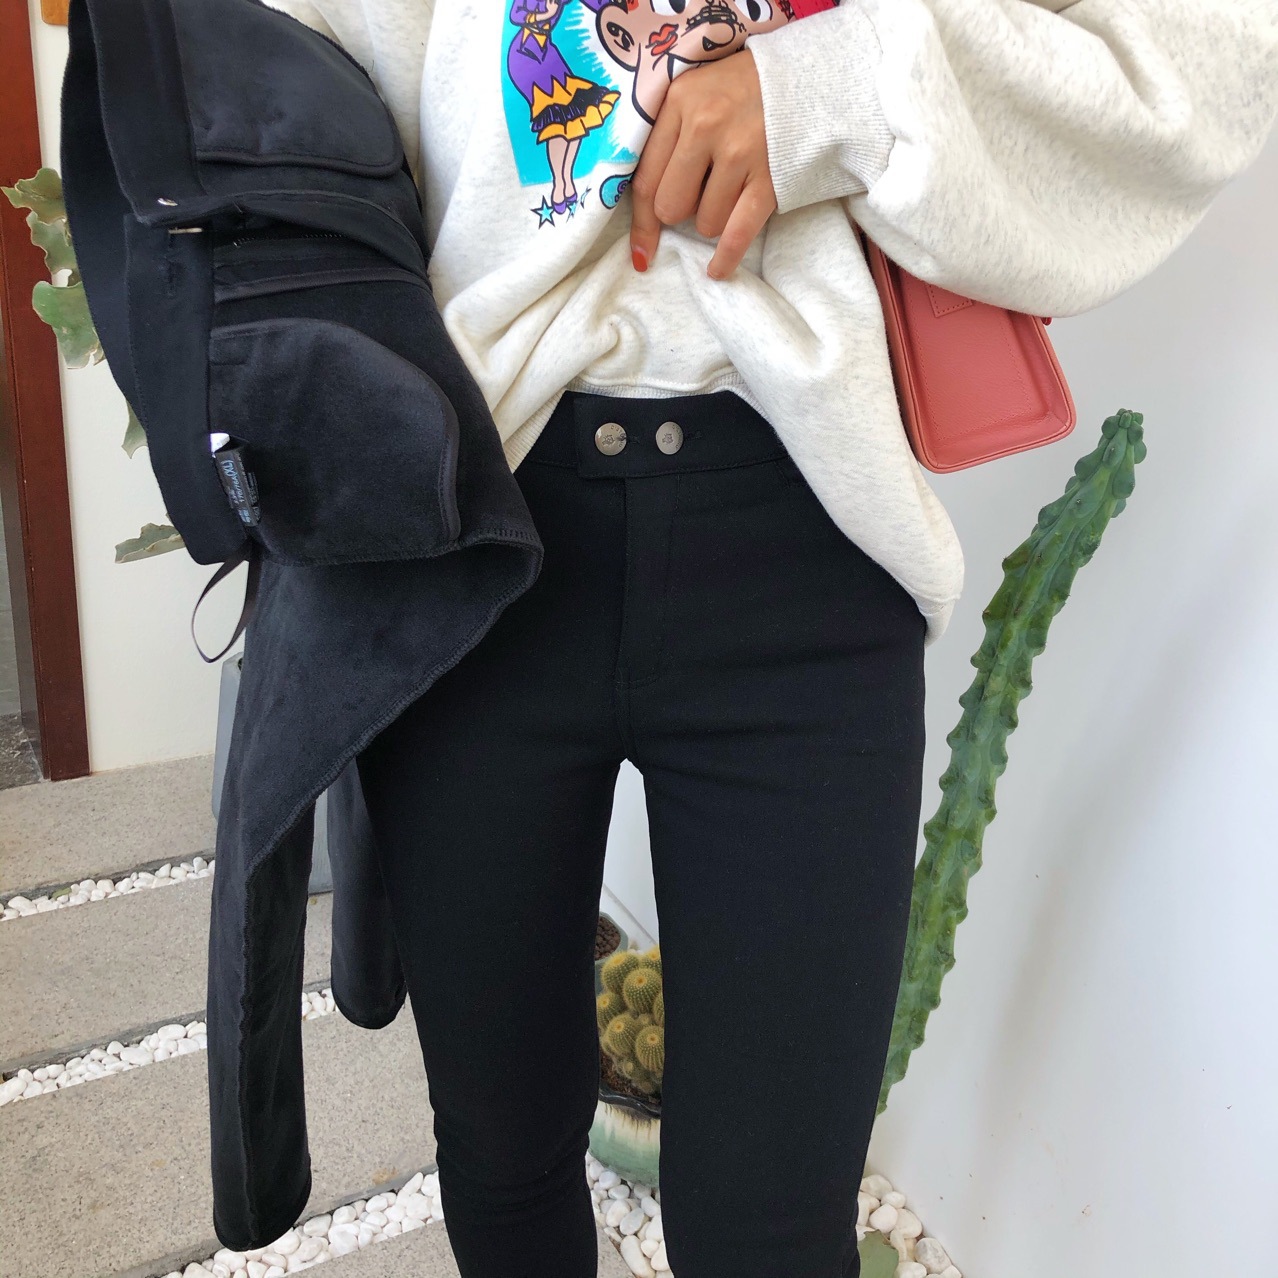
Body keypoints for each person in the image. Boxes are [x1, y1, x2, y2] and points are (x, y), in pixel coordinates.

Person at [265, 0, 1278, 1274]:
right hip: (474, 526)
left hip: (804, 537)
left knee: (776, 1228)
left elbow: (1205, 52)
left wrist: (828, 90)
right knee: (499, 1147)